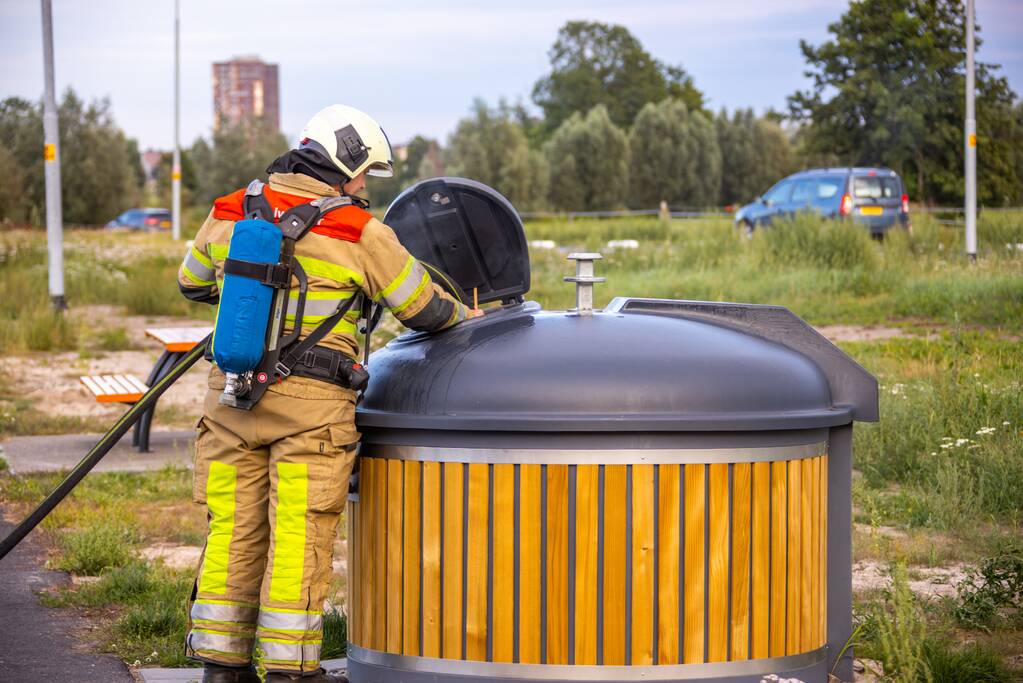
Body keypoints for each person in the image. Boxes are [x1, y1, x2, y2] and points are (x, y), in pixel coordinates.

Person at [177, 104, 480, 683]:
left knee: (233, 529)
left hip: (229, 401)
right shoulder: (359, 231)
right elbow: (424, 309)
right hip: (312, 414)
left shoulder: (229, 209)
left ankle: (221, 666)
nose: (365, 187)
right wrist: (466, 315)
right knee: (299, 534)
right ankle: (291, 670)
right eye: (365, 173)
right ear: (345, 164)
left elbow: (192, 283)